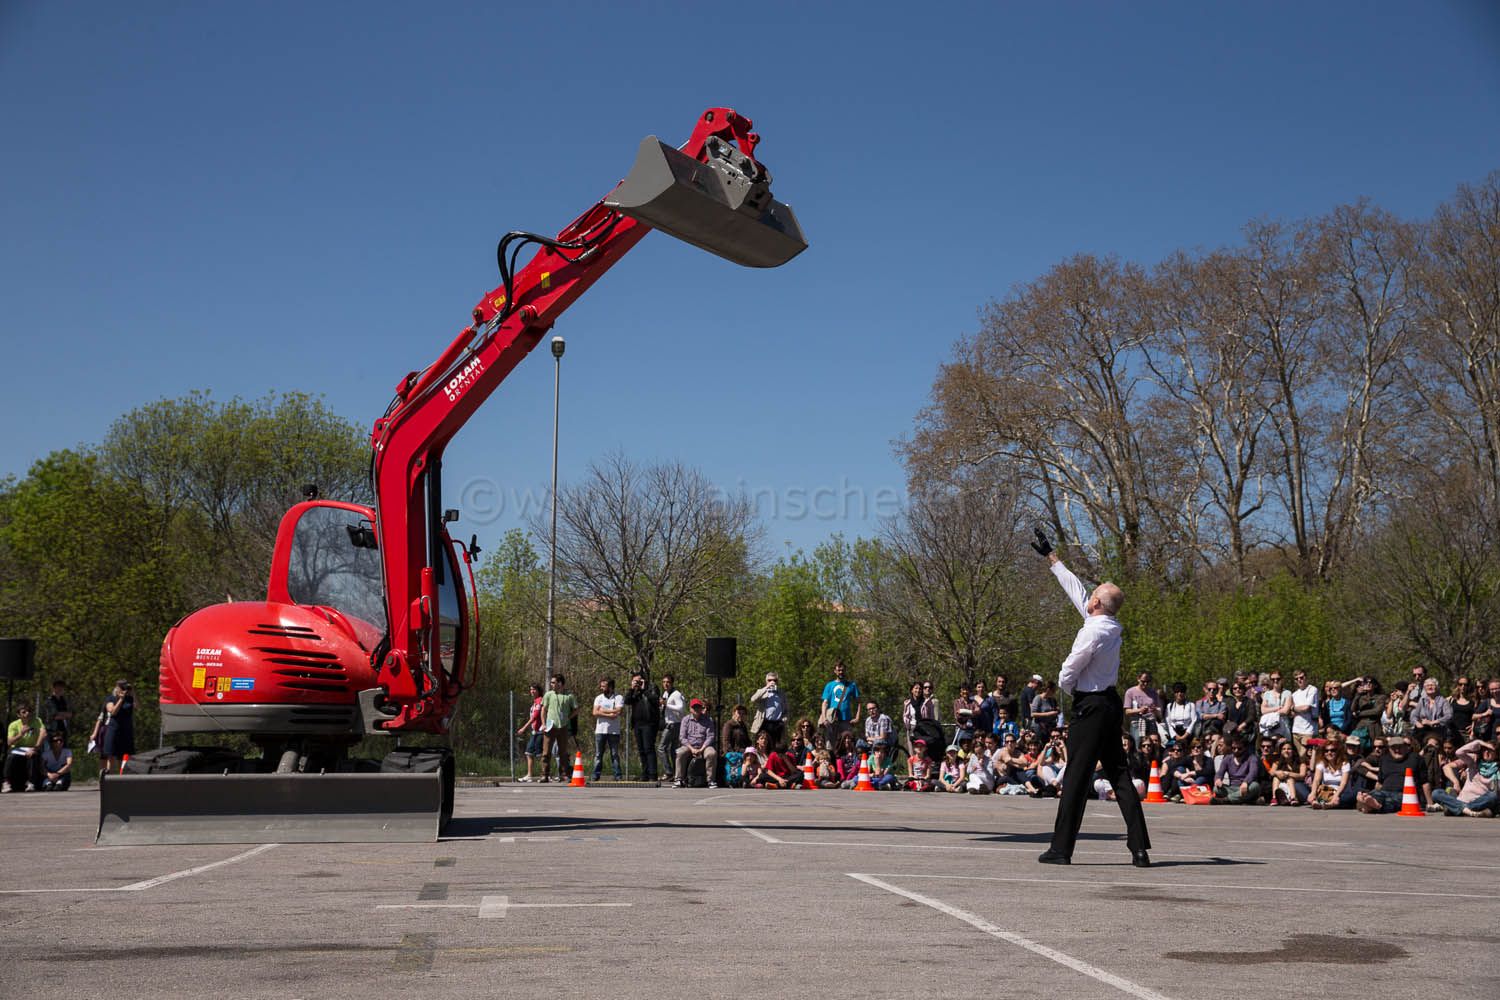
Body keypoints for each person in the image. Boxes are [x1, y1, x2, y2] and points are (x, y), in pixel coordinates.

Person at [1030, 529, 1151, 867]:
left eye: (1094, 594)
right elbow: (1077, 590)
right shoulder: (1108, 625)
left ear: (1097, 604)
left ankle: (1061, 849)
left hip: (1092, 705)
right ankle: (1139, 849)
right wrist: (1052, 558)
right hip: (1109, 704)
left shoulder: (1092, 631)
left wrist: (1072, 692)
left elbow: (1069, 669)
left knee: (1076, 776)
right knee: (1119, 774)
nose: (1089, 594)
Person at [1355, 735, 1431, 813]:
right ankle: (1369, 802)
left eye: (1400, 747)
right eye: (1393, 748)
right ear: (1389, 749)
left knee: (1391, 801)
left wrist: (1430, 803)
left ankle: (1373, 805)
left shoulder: (1416, 759)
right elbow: (1379, 783)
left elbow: (1425, 782)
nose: (1397, 750)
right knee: (1375, 794)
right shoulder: (1384, 759)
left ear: (1406, 747)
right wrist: (1373, 793)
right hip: (1384, 792)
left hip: (1406, 794)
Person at [1430, 739, 1497, 817]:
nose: (1487, 752)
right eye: (1484, 749)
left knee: (1493, 796)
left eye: (1491, 750)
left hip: (1478, 802)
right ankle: (1465, 810)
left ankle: (1454, 808)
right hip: (1462, 799)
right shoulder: (1474, 759)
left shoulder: (1497, 769)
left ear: (1497, 754)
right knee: (1436, 793)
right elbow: (1459, 752)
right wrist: (1478, 742)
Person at [89, 680, 134, 778]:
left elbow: (138, 707)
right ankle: (109, 778)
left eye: (125, 688)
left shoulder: (130, 699)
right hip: (113, 728)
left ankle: (123, 778)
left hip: (126, 730)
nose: (124, 690)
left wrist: (133, 693)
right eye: (122, 688)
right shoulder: (111, 698)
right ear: (117, 688)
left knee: (124, 756)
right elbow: (112, 712)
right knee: (110, 755)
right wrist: (121, 699)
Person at [538, 674, 577, 783]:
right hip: (550, 727)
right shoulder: (548, 695)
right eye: (551, 682)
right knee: (546, 752)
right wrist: (543, 724)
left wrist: (568, 717)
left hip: (563, 727)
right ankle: (544, 775)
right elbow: (543, 710)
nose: (551, 684)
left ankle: (564, 774)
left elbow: (576, 709)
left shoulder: (569, 696)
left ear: (560, 683)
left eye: (553, 682)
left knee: (563, 752)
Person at [623, 671, 660, 782]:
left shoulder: (652, 687)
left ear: (644, 680)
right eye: (635, 681)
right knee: (641, 750)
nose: (638, 683)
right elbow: (627, 701)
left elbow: (655, 700)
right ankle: (645, 773)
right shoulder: (635, 691)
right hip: (637, 724)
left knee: (649, 748)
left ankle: (653, 774)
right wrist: (632, 689)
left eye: (639, 681)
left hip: (649, 724)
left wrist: (644, 689)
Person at [673, 698, 718, 789]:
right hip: (689, 746)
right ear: (690, 709)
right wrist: (692, 749)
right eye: (694, 707)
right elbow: (682, 737)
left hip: (704, 746)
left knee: (712, 753)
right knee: (680, 752)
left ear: (701, 708)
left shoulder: (708, 720)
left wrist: (701, 749)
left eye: (698, 707)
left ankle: (710, 780)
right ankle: (679, 779)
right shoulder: (685, 720)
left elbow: (710, 736)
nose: (696, 709)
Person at [1308, 735, 1358, 809]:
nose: (1329, 753)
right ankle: (1326, 803)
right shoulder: (1321, 763)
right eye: (1326, 751)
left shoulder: (1345, 764)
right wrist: (1313, 793)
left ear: (1338, 751)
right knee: (1315, 794)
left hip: (1342, 792)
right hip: (1326, 792)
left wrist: (1336, 795)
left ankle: (1328, 804)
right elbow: (1316, 780)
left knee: (1352, 796)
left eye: (1332, 750)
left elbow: (1343, 783)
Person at [819, 660, 861, 747]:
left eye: (842, 670)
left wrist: (857, 717)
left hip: (846, 720)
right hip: (832, 721)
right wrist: (824, 718)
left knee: (846, 745)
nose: (841, 672)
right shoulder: (829, 685)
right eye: (839, 670)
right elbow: (825, 703)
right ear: (835, 671)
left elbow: (859, 702)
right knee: (830, 745)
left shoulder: (851, 685)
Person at [6, 703, 46, 792]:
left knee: (32, 756)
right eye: (24, 712)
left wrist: (35, 748)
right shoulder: (13, 725)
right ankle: (7, 782)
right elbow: (9, 742)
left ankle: (31, 783)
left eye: (29, 711)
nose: (27, 713)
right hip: (18, 748)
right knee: (11, 757)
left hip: (32, 747)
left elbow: (43, 734)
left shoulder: (37, 721)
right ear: (18, 715)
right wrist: (21, 734)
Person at [591, 678, 624, 781]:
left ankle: (618, 775)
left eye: (604, 686)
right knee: (598, 754)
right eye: (601, 686)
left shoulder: (618, 697)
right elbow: (595, 712)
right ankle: (595, 775)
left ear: (610, 687)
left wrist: (602, 710)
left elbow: (618, 711)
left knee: (614, 754)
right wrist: (610, 713)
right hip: (600, 730)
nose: (601, 688)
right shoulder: (599, 698)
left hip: (614, 731)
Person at [1214, 734, 1263, 804]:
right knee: (1216, 789)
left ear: (1245, 748)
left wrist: (1246, 782)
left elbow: (1253, 773)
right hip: (1232, 788)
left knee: (1255, 786)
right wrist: (1218, 779)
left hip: (1246, 787)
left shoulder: (1252, 758)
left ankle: (1227, 800)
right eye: (1234, 748)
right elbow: (1220, 772)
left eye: (1239, 749)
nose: (1236, 750)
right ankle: (1247, 800)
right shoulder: (1227, 758)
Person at [749, 672, 788, 749]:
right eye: (769, 680)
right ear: (766, 681)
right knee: (763, 745)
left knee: (777, 746)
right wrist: (766, 687)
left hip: (777, 723)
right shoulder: (762, 691)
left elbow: (786, 709)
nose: (772, 682)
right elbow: (753, 699)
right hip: (764, 723)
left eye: (774, 680)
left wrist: (784, 719)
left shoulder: (781, 693)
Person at [657, 674, 686, 778]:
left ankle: (668, 771)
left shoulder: (676, 694)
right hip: (671, 724)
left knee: (661, 748)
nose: (666, 684)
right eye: (664, 682)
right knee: (673, 751)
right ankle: (676, 774)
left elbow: (681, 708)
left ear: (672, 683)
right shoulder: (665, 693)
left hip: (674, 724)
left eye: (668, 682)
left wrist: (666, 704)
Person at [1123, 670, 1160, 747]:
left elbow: (1159, 710)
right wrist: (1139, 710)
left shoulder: (1153, 692)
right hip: (1137, 723)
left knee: (1154, 745)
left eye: (1148, 682)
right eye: (1143, 681)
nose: (1145, 684)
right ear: (1138, 679)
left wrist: (1155, 710)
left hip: (1151, 722)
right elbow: (1127, 711)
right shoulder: (1130, 692)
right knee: (1138, 745)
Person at [1409, 678, 1453, 744]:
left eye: (1432, 685)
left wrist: (1432, 722)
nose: (1430, 687)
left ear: (1437, 687)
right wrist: (1417, 723)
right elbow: (1414, 715)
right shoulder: (1422, 700)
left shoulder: (1443, 701)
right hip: (1423, 731)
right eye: (1427, 686)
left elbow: (1449, 716)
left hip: (1439, 732)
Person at [516, 683, 544, 782]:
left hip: (540, 732)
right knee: (529, 752)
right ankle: (529, 775)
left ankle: (545, 775)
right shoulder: (535, 702)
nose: (532, 691)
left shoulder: (540, 700)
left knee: (540, 754)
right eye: (531, 689)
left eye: (534, 689)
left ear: (539, 691)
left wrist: (523, 728)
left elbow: (534, 717)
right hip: (534, 732)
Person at [1289, 669, 1320, 756]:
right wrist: (1293, 710)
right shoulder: (1294, 694)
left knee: (1308, 756)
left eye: (1301, 677)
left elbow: (1306, 708)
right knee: (1300, 757)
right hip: (1295, 730)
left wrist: (1293, 708)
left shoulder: (1312, 689)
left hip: (1308, 731)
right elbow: (1292, 714)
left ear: (1306, 677)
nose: (1299, 680)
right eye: (1296, 679)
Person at [1268, 741, 1309, 806]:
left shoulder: (1301, 763)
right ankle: (1274, 798)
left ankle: (1293, 798)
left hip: (1296, 785)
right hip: (1282, 784)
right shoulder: (1277, 762)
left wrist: (1288, 773)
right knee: (1275, 778)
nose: (1286, 751)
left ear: (1293, 751)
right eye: (1284, 749)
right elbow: (1271, 772)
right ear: (1281, 751)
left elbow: (1302, 775)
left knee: (1290, 778)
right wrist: (1277, 772)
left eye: (1289, 749)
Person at [1258, 673, 1292, 744]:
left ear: (1282, 680)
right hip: (1269, 726)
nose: (1275, 681)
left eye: (1278, 679)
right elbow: (1263, 710)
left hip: (1283, 726)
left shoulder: (1287, 693)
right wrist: (1278, 708)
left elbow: (1285, 711)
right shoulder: (1266, 693)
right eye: (1273, 679)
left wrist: (1269, 711)